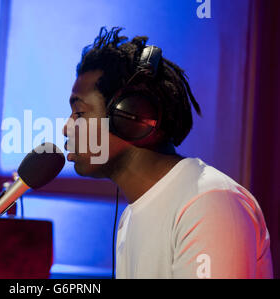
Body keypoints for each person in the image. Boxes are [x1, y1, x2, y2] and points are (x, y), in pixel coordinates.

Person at [62, 27, 273, 278]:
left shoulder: (209, 202)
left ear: (132, 116)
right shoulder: (130, 218)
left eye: (80, 114)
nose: (67, 128)